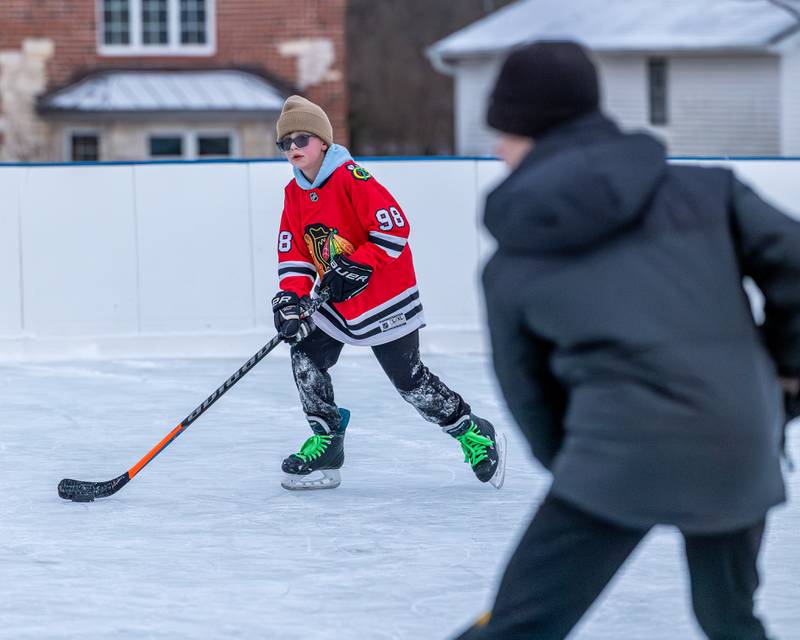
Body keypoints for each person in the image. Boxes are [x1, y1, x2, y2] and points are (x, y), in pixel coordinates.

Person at [456, 41, 800, 639]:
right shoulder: (710, 194)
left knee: (519, 626)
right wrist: (780, 386)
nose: (497, 149)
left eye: (504, 133)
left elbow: (528, 394)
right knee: (730, 619)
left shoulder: (511, 265)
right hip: (737, 443)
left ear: (526, 133)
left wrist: (578, 467)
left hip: (614, 457)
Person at [271, 95, 506, 491]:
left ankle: (472, 431)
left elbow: (393, 228)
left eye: (302, 139)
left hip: (385, 299)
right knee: (306, 356)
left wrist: (358, 265)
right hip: (337, 300)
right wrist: (291, 299)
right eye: (285, 142)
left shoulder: (352, 178)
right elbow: (294, 251)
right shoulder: (294, 194)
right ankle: (328, 440)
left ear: (324, 143)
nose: (293, 148)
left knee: (409, 382)